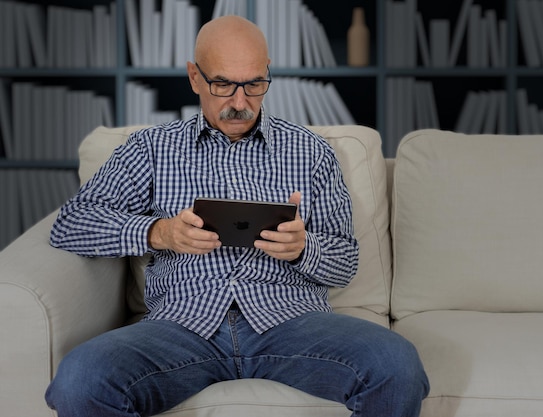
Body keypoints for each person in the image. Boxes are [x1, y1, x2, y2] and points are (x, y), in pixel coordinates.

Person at [45, 15, 429, 417]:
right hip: (180, 325)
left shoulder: (310, 151)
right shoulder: (150, 149)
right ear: (195, 77)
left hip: (291, 322)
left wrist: (302, 248)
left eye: (255, 85)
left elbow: (345, 262)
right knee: (79, 380)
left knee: (397, 366)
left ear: (267, 75)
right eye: (223, 84)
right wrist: (160, 233)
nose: (241, 103)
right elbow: (71, 224)